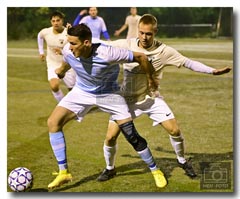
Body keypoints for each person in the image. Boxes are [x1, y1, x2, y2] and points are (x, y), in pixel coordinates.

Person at [96, 14, 232, 182]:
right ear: (137, 31)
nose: (144, 37)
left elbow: (188, 62)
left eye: (149, 34)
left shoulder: (164, 51)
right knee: (110, 137)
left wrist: (212, 71)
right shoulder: (126, 44)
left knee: (174, 130)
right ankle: (110, 168)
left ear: (155, 32)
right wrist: (71, 35)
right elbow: (101, 44)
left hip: (151, 98)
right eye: (141, 33)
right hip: (126, 100)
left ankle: (182, 160)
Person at [47, 23, 168, 189]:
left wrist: (150, 78)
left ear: (87, 43)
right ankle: (64, 173)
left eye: (74, 43)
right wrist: (61, 70)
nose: (69, 47)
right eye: (69, 42)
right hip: (82, 92)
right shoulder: (69, 50)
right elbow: (68, 60)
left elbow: (141, 57)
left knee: (131, 135)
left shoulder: (108, 53)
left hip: (109, 95)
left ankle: (155, 170)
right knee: (53, 123)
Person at [37, 11, 76, 102]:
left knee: (73, 90)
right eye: (53, 21)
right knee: (54, 86)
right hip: (52, 64)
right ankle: (63, 106)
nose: (55, 23)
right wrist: (41, 52)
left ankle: (78, 107)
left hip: (67, 65)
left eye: (58, 20)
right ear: (51, 22)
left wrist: (62, 52)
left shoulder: (68, 32)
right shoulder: (46, 32)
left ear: (62, 21)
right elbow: (39, 36)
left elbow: (75, 50)